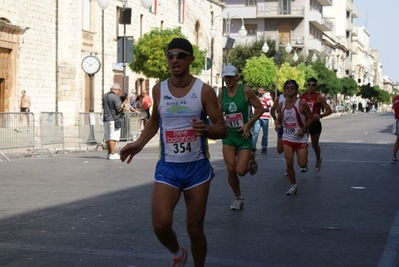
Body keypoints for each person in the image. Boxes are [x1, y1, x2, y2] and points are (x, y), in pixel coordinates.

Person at [120, 38, 227, 267]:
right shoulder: (159, 89)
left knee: (195, 229)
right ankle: (178, 252)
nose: (174, 60)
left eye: (180, 55)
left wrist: (207, 129)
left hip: (197, 168)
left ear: (190, 59)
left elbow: (222, 129)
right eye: (170, 55)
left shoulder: (204, 91)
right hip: (168, 167)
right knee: (160, 224)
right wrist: (138, 144)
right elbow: (155, 121)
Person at [218, 64, 263, 211]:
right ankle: (238, 198)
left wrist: (248, 125)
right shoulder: (222, 94)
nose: (228, 79)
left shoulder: (245, 90)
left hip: (244, 135)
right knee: (230, 168)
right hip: (229, 136)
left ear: (237, 77)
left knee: (241, 171)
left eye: (231, 76)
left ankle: (250, 158)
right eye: (226, 76)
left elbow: (260, 108)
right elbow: (217, 114)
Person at [275, 80, 314, 195]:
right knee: (289, 163)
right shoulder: (281, 105)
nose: (289, 89)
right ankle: (293, 185)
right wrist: (277, 125)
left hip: (300, 138)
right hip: (287, 137)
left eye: (292, 87)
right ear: (285, 90)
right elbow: (279, 120)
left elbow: (311, 118)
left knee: (302, 164)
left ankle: (303, 159)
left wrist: (304, 129)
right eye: (287, 88)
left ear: (296, 90)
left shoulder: (301, 103)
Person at [299, 78, 332, 173]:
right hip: (304, 123)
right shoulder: (302, 95)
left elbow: (329, 110)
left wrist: (320, 115)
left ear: (316, 87)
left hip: (315, 123)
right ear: (307, 86)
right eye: (309, 84)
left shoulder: (319, 97)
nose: (311, 87)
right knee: (303, 144)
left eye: (313, 85)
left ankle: (318, 159)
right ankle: (304, 164)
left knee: (314, 145)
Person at [102, 83, 128, 160]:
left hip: (106, 118)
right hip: (114, 119)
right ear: (116, 90)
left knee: (108, 137)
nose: (119, 92)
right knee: (113, 137)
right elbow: (119, 109)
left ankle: (109, 153)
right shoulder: (115, 97)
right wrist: (124, 102)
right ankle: (112, 153)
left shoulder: (105, 96)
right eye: (119, 91)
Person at [252, 86, 273, 154]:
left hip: (265, 117)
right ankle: (253, 147)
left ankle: (264, 147)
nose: (259, 91)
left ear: (264, 91)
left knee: (265, 134)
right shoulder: (257, 97)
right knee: (255, 132)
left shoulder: (268, 97)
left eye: (261, 90)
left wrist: (263, 100)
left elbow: (271, 104)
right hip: (258, 117)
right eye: (259, 90)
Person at [392, 94, 399, 163]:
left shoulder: (395, 98)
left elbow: (393, 108)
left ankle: (394, 157)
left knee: (398, 140)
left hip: (397, 120)